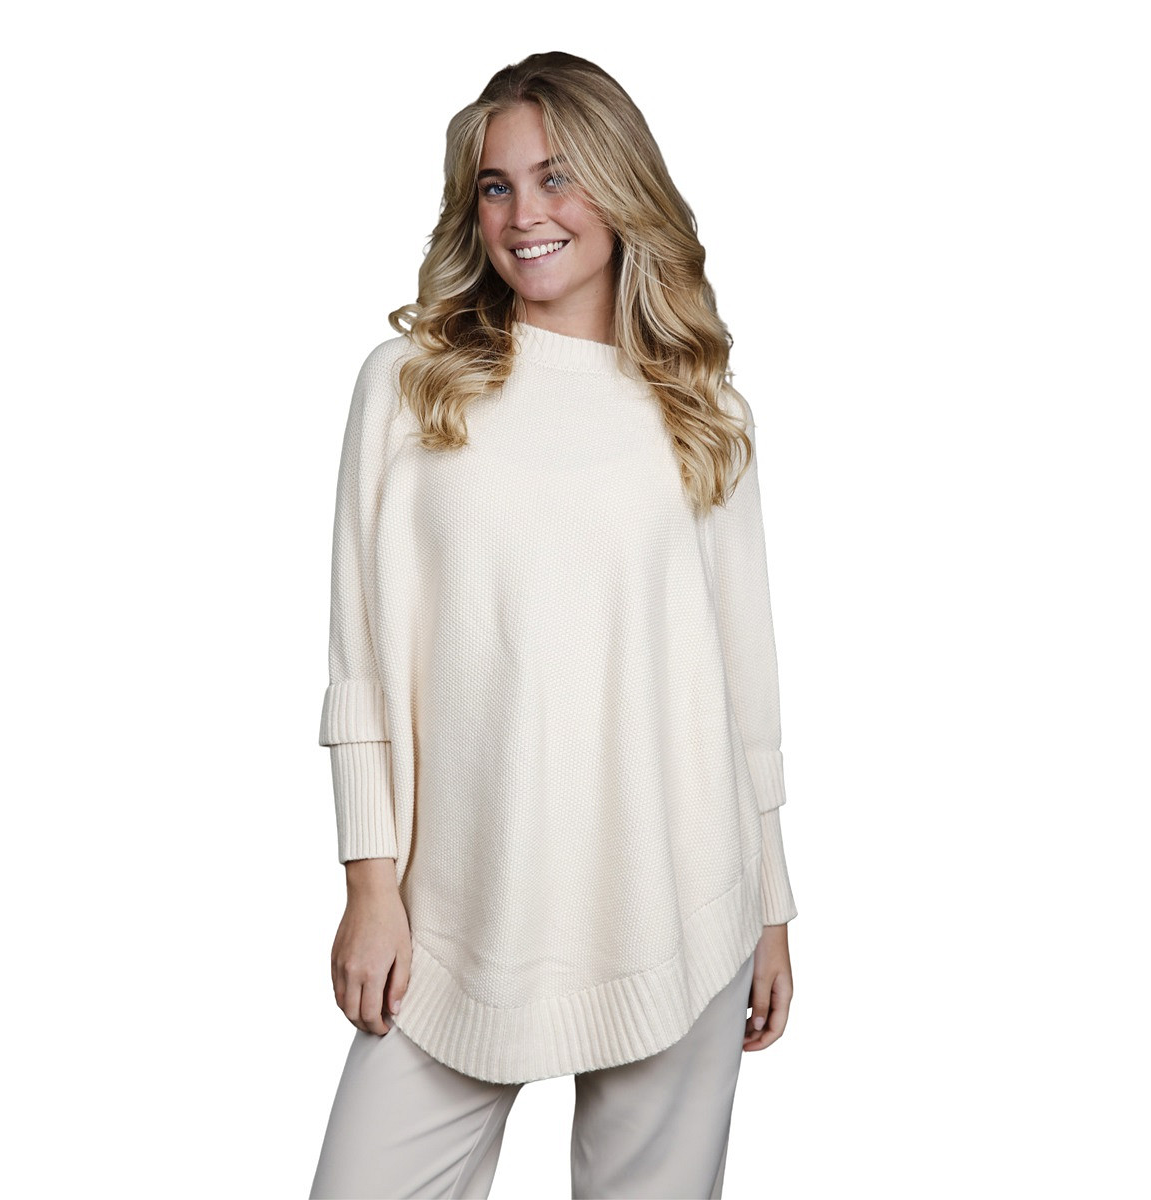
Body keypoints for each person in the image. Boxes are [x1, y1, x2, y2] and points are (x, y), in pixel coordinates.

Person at [309, 50, 799, 1200]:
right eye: (496, 186)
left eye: (558, 177)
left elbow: (744, 684)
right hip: (459, 915)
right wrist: (369, 884)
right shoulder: (411, 386)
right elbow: (361, 660)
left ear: (623, 190)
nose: (525, 214)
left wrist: (772, 907)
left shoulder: (702, 411)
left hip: (680, 896)